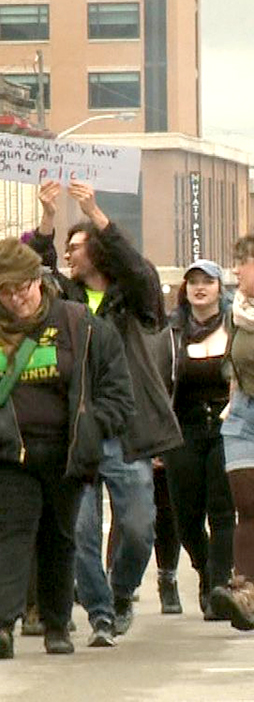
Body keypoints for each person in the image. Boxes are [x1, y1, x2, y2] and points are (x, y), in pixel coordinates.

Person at [0, 238, 134, 659]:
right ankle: (2, 625)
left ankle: (57, 625)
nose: (17, 298)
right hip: (3, 452)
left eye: (24, 287)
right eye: (7, 291)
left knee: (59, 539)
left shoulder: (81, 325)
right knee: (12, 534)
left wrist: (95, 428)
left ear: (39, 282)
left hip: (66, 453)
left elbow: (117, 389)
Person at [27, 180, 182, 646]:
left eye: (80, 246)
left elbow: (141, 272)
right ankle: (99, 613)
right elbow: (35, 269)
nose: (71, 253)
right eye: (68, 247)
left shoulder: (132, 298)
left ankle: (120, 594)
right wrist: (49, 219)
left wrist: (96, 213)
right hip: (75, 429)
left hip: (126, 427)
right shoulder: (63, 299)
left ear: (99, 249)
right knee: (79, 530)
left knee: (138, 527)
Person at [158, 260, 235, 620]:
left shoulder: (238, 326)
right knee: (186, 516)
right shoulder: (172, 332)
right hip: (183, 429)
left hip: (226, 427)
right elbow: (159, 387)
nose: (200, 288)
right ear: (185, 290)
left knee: (222, 511)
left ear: (221, 287)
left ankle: (220, 587)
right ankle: (204, 570)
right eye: (193, 282)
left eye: (208, 281)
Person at [212, 235, 254, 630]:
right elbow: (232, 363)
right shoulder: (236, 312)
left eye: (243, 262)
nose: (236, 271)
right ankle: (247, 592)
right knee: (247, 504)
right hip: (243, 414)